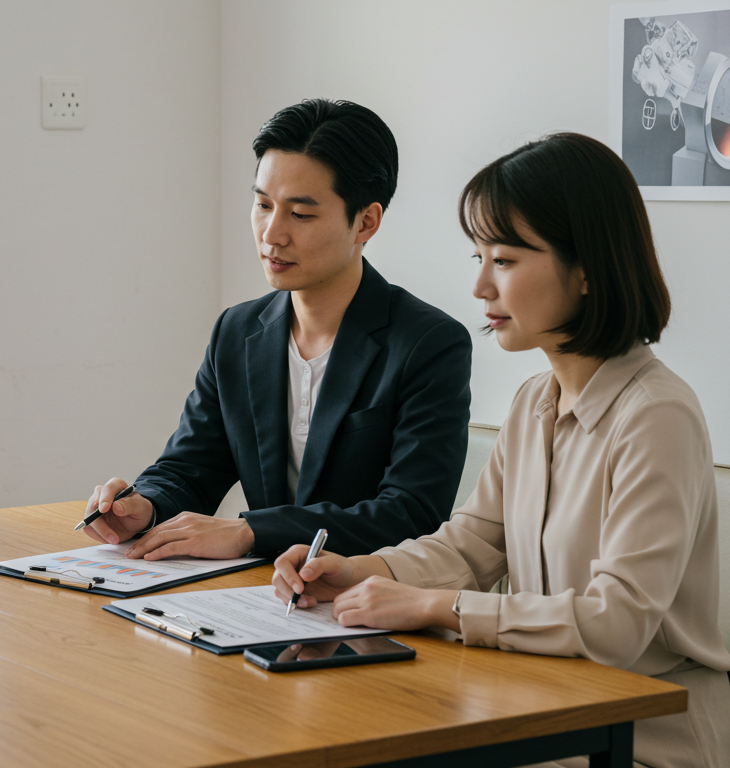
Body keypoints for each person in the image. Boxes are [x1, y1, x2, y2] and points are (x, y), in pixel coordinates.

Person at [273, 133, 730, 768]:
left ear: (588, 270)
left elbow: (616, 625)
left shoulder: (656, 415)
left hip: (644, 740)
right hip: (545, 709)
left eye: (507, 261)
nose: (481, 288)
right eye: (479, 257)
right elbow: (471, 545)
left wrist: (433, 606)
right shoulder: (534, 401)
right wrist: (362, 570)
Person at [83, 99, 472, 561]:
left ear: (365, 222)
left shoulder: (428, 344)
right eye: (263, 205)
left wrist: (250, 532)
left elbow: (410, 513)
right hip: (257, 597)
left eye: (300, 214)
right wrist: (143, 506)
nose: (272, 234)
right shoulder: (237, 330)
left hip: (363, 601)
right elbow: (192, 467)